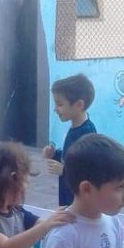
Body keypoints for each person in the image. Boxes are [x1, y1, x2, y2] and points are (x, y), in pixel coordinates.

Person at [42, 74, 96, 207]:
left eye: (60, 104)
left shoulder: (86, 133)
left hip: (79, 202)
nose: (55, 109)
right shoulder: (75, 128)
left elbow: (89, 167)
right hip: (68, 197)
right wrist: (54, 154)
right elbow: (72, 157)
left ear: (79, 105)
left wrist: (64, 170)